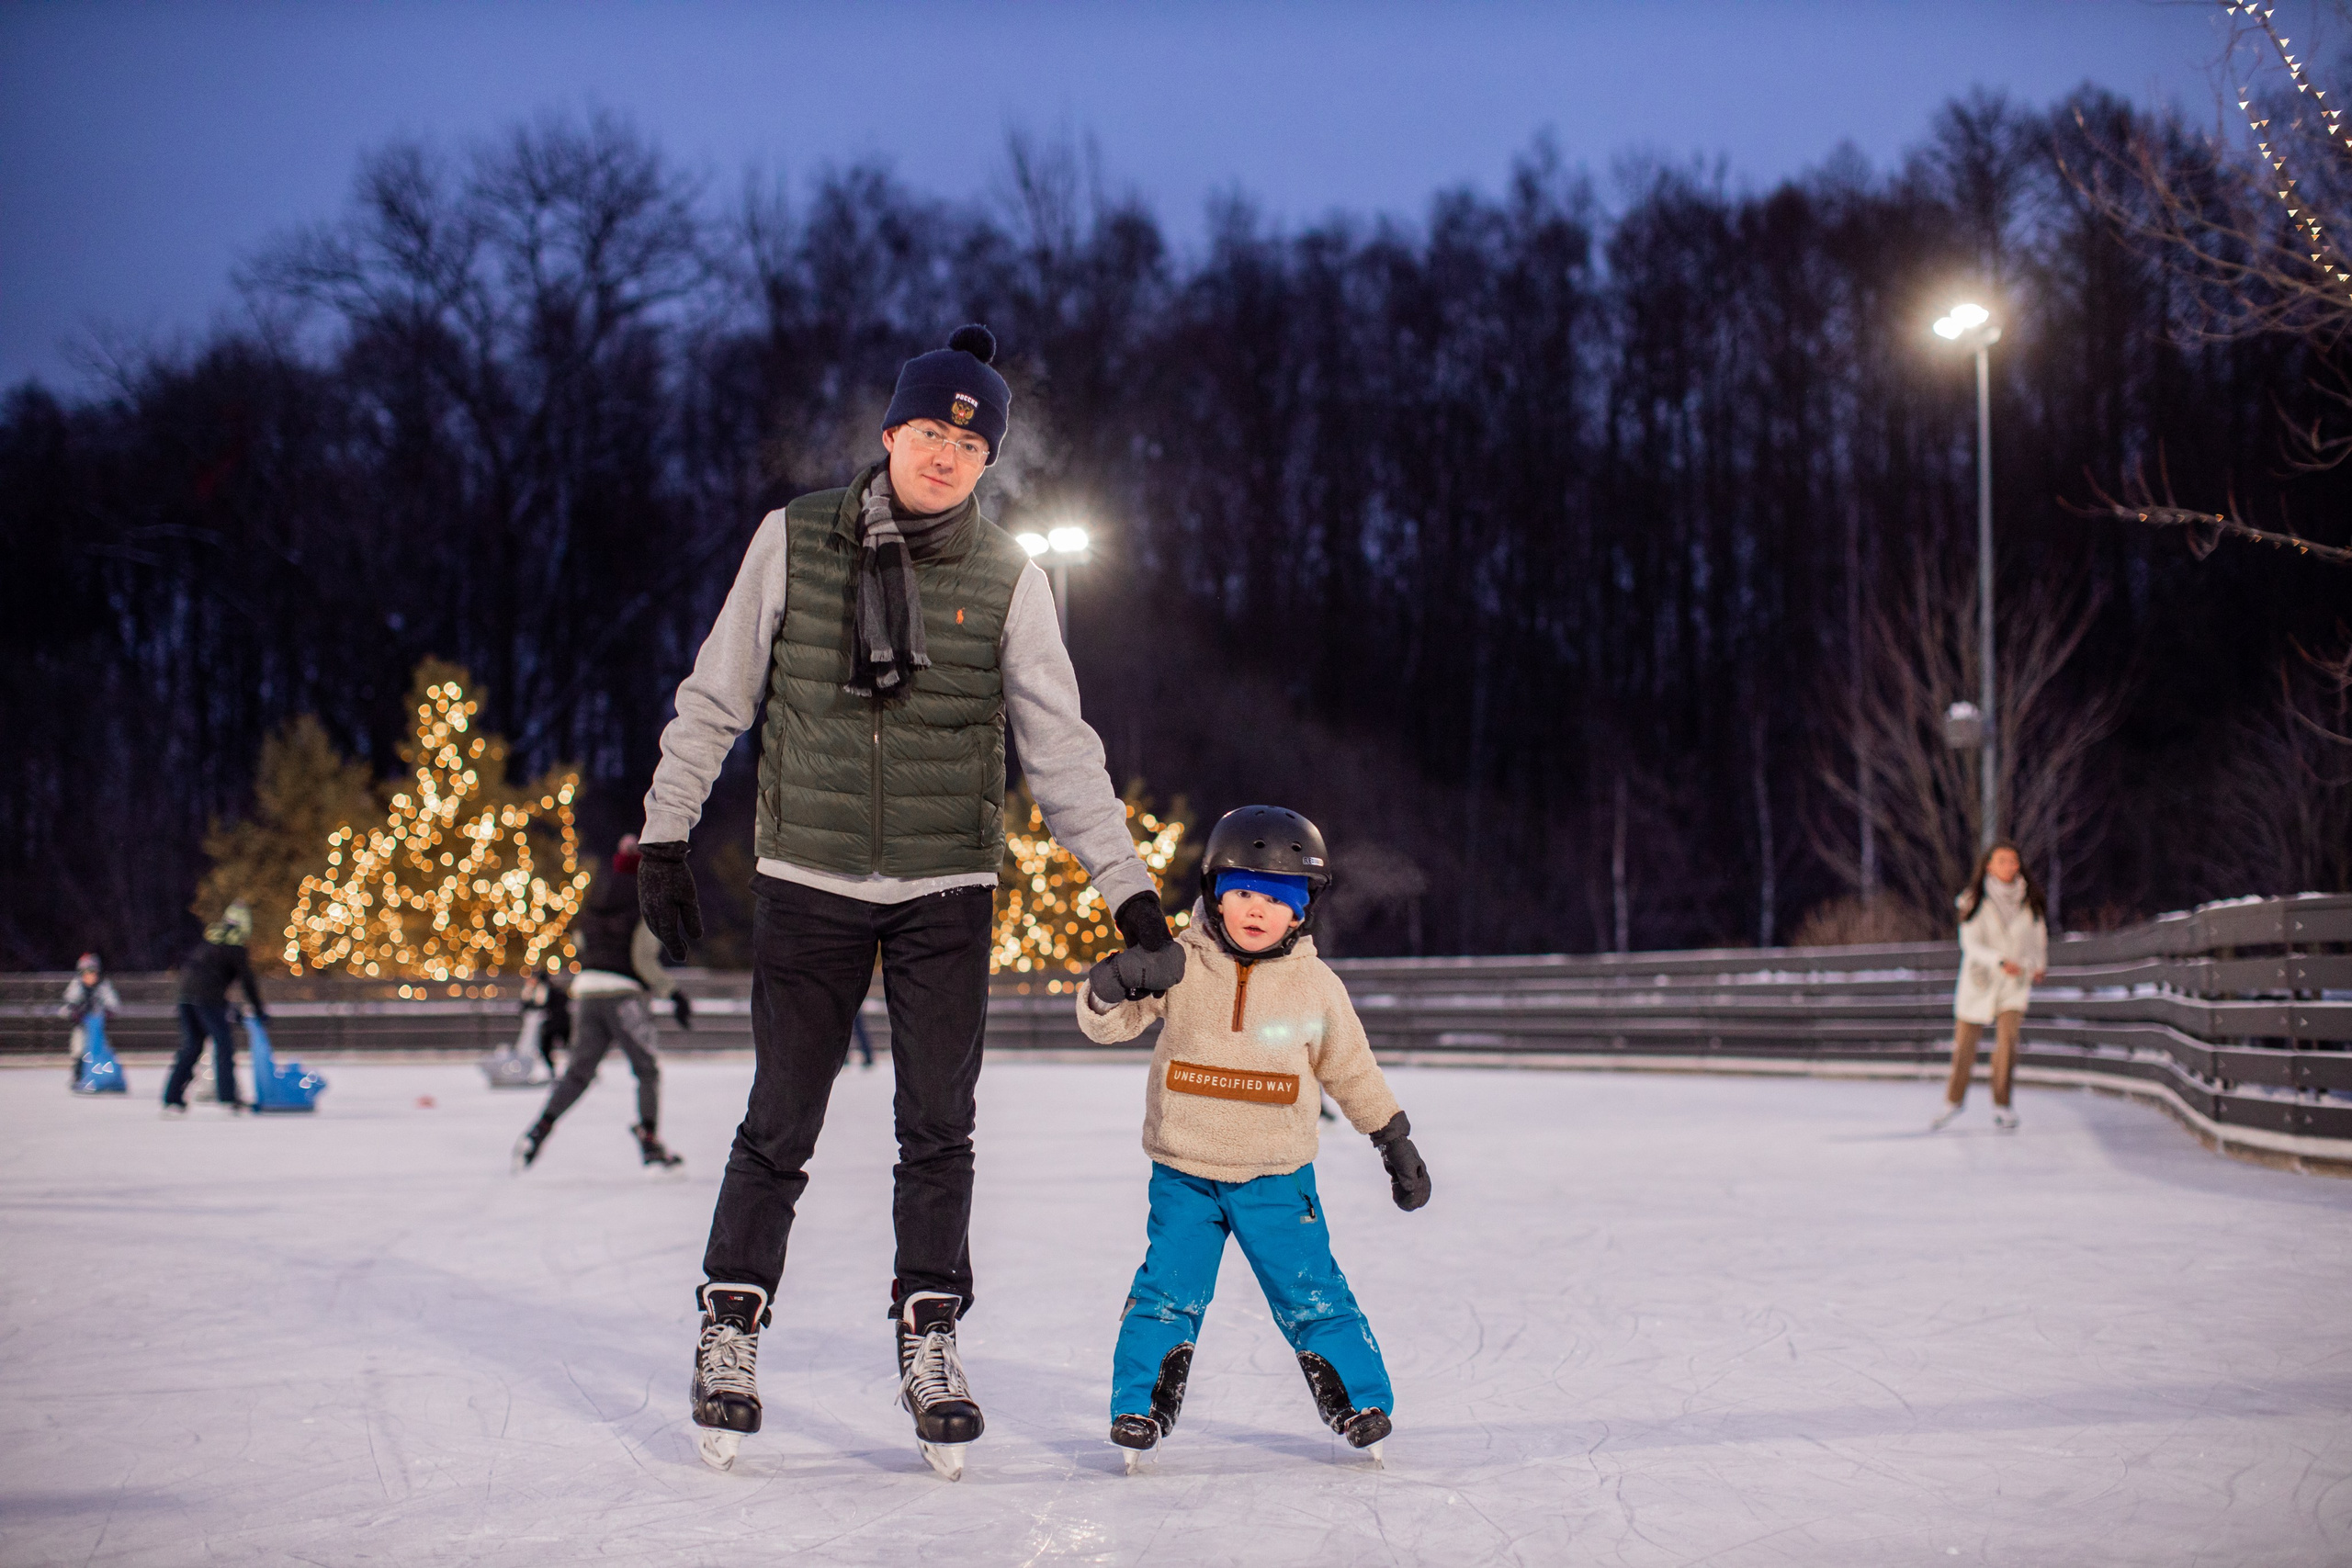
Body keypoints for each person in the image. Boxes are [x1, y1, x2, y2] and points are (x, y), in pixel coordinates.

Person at [636, 324, 1176, 1477]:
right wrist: (666, 834)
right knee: (781, 1116)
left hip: (945, 888)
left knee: (940, 1128)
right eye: (928, 430)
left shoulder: (1009, 577)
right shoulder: (792, 542)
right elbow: (715, 695)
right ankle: (730, 1327)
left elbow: (1061, 749)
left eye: (968, 444)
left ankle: (929, 1336)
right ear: (889, 435)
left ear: (990, 467)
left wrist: (1128, 892)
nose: (944, 455)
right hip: (809, 878)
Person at [1075, 806, 1431, 1470]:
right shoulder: (1179, 963)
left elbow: (1352, 1070)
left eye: (1278, 896)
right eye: (1243, 891)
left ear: (1302, 910)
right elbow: (1111, 1024)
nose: (1258, 908)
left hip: (1276, 1176)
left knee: (1313, 1292)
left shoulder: (1316, 988)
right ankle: (1141, 1405)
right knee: (1166, 1292)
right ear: (1214, 892)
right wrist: (1109, 985)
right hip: (1185, 1173)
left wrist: (1393, 1139)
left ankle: (1357, 1400)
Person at [514, 836, 690, 1169]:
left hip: (588, 994)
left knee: (578, 1072)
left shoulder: (596, 898)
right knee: (646, 1070)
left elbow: (580, 942)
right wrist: (674, 993)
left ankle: (540, 1129)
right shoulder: (647, 901)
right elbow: (643, 959)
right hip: (624, 997)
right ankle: (650, 1140)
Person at [1930, 840, 2050, 1134]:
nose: (2009, 866)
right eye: (2002, 861)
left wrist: (2037, 965)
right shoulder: (1972, 900)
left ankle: (2002, 1104)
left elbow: (2038, 939)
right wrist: (1998, 961)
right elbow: (1970, 944)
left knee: (2008, 1042)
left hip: (2014, 982)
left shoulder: (2029, 900)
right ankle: (1954, 1099)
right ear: (1989, 866)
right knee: (1965, 1048)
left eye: (2013, 860)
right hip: (1979, 982)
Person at [164, 903, 266, 1115]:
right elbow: (247, 981)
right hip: (207, 1000)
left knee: (191, 1047)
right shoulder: (235, 948)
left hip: (185, 997)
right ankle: (227, 1098)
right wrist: (259, 1010)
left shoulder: (210, 941)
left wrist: (229, 1007)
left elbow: (203, 976)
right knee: (224, 1045)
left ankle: (172, 1098)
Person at [60, 952, 122, 1089]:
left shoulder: (103, 986)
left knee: (102, 1051)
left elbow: (112, 1001)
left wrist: (109, 1011)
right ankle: (79, 1076)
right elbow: (68, 1003)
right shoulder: (76, 986)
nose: (89, 976)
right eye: (86, 973)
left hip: (97, 1027)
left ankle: (105, 1077)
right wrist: (73, 1013)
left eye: (92, 973)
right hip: (82, 1027)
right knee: (79, 1049)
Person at [518, 969, 572, 1080]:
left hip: (556, 1024)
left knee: (555, 1048)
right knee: (555, 1049)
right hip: (558, 1024)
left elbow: (534, 1006)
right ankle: (555, 1071)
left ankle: (570, 1070)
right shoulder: (550, 991)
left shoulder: (546, 992)